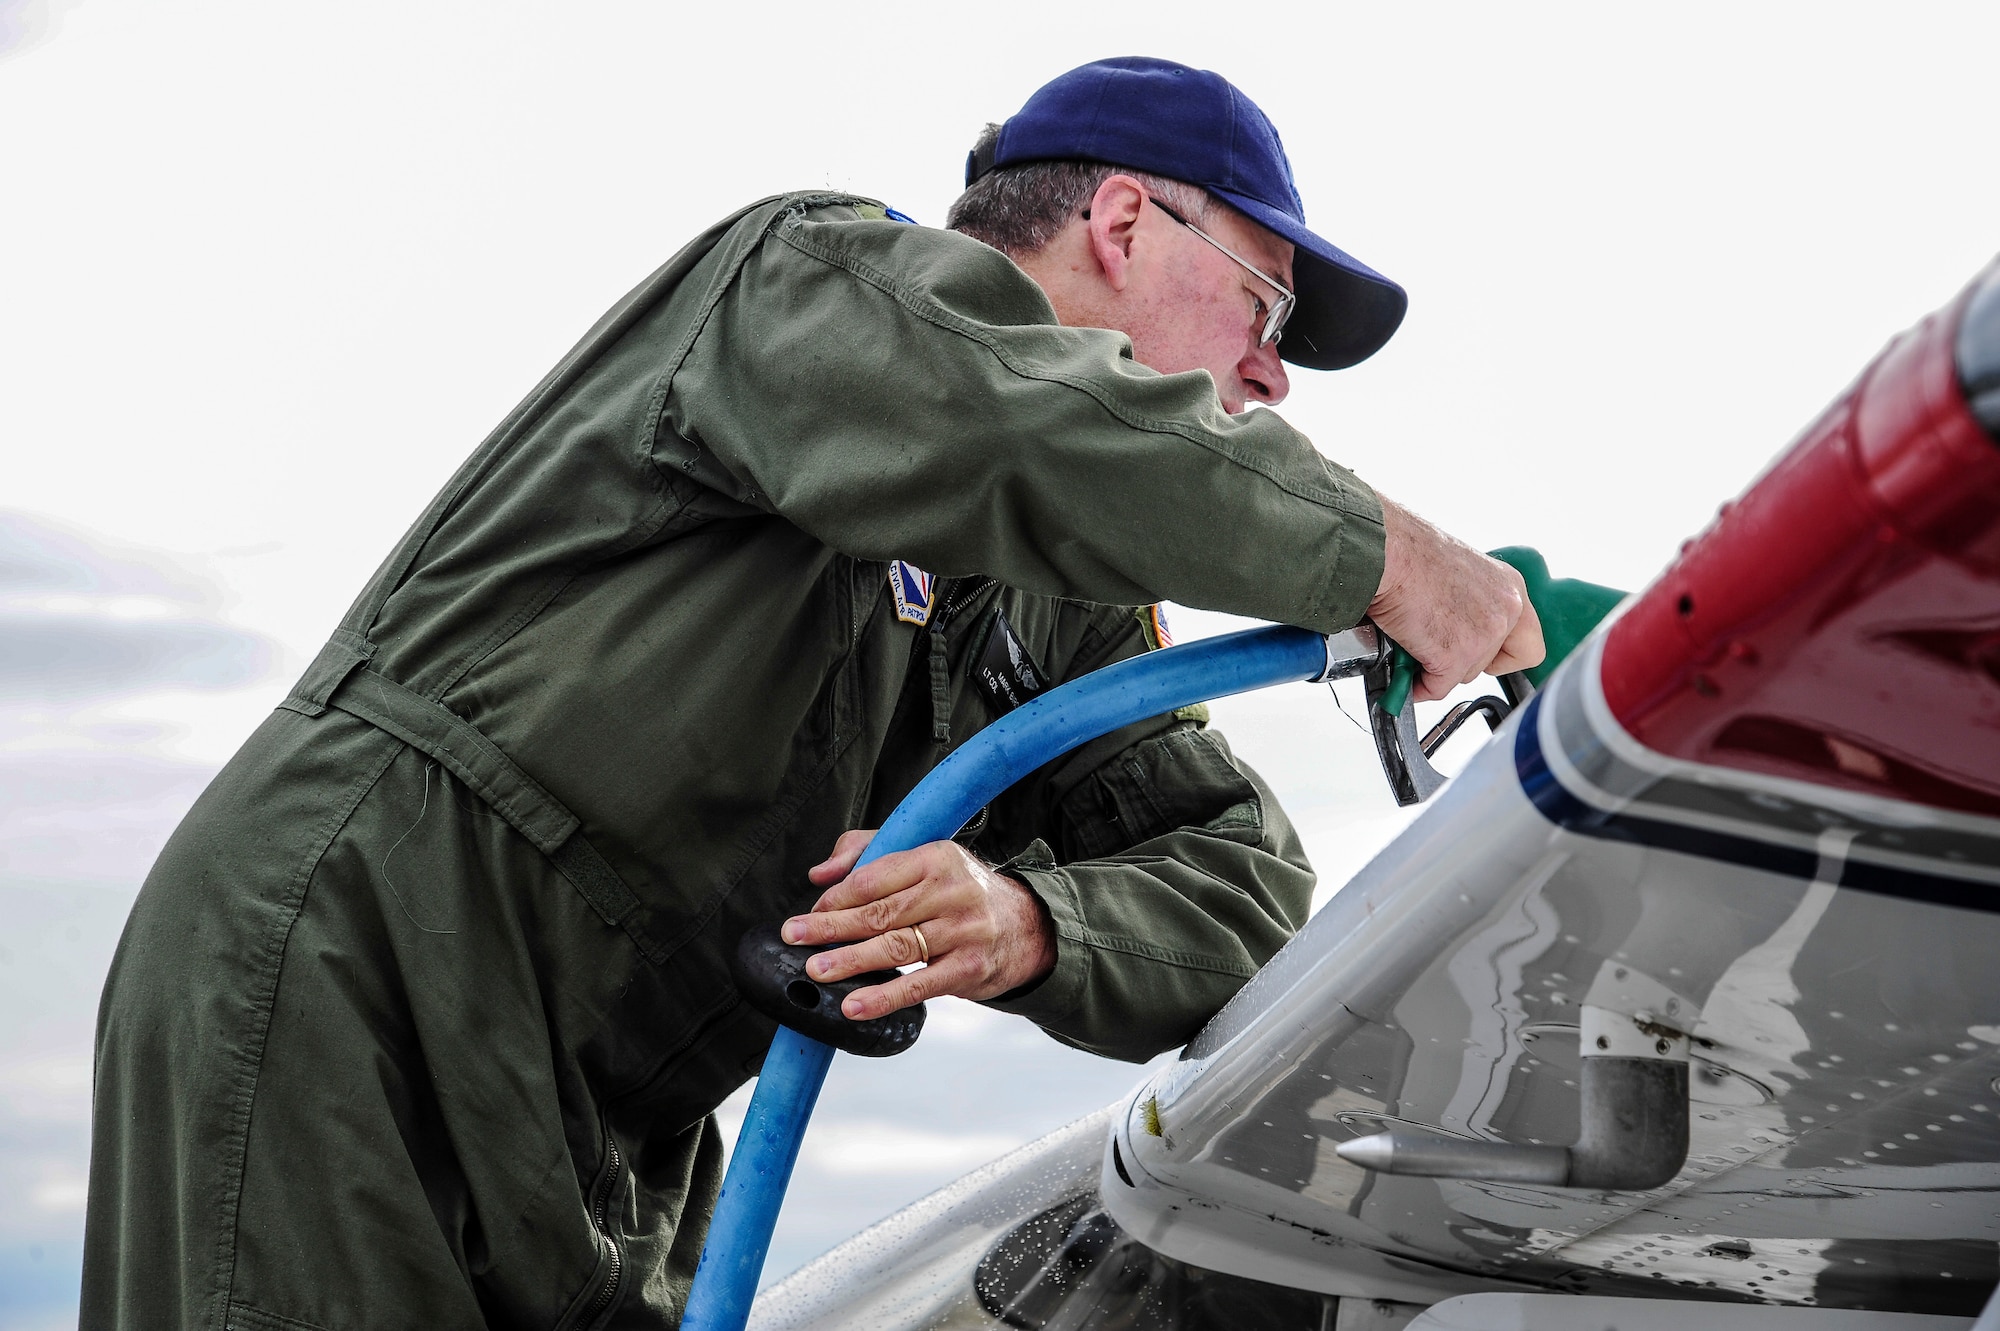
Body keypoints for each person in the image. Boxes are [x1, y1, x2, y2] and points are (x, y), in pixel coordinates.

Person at [83, 56, 1541, 1330]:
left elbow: (1248, 882)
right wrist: (1390, 558)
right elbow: (1031, 427)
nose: (1273, 376)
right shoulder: (812, 286)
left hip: (620, 1115)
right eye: (1266, 306)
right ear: (1119, 222)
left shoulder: (1062, 604)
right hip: (366, 968)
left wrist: (1032, 919)